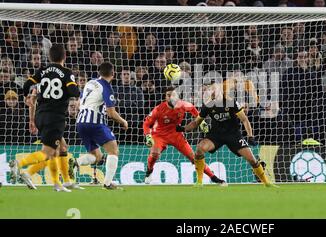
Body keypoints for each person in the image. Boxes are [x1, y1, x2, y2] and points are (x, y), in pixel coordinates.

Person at [177, 82, 277, 187]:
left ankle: (266, 182)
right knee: (199, 149)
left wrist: (250, 136)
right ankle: (199, 182)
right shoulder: (208, 105)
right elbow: (196, 123)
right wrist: (183, 128)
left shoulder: (230, 102)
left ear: (219, 89)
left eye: (212, 89)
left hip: (233, 134)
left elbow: (244, 119)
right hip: (216, 135)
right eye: (208, 90)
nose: (210, 91)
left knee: (252, 159)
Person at [9, 44, 80, 191]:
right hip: (55, 118)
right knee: (47, 153)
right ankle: (22, 166)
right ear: (65, 56)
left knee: (61, 148)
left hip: (40, 115)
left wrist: (26, 97)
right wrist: (75, 90)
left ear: (49, 57)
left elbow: (27, 84)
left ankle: (60, 183)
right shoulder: (66, 72)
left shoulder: (42, 71)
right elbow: (74, 92)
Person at [142, 87, 226, 185]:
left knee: (194, 158)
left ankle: (214, 178)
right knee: (155, 154)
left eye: (173, 95)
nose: (171, 97)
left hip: (176, 134)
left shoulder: (184, 105)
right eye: (168, 95)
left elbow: (194, 110)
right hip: (159, 135)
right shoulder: (158, 109)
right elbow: (146, 124)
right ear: (165, 97)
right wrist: (148, 136)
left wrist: (201, 121)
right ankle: (149, 170)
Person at [70, 62, 128, 190]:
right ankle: (107, 183)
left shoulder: (90, 83)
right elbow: (111, 113)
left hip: (80, 122)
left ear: (99, 72)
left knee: (97, 157)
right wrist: (123, 121)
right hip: (95, 122)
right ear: (113, 74)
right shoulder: (106, 87)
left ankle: (75, 163)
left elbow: (79, 104)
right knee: (113, 150)